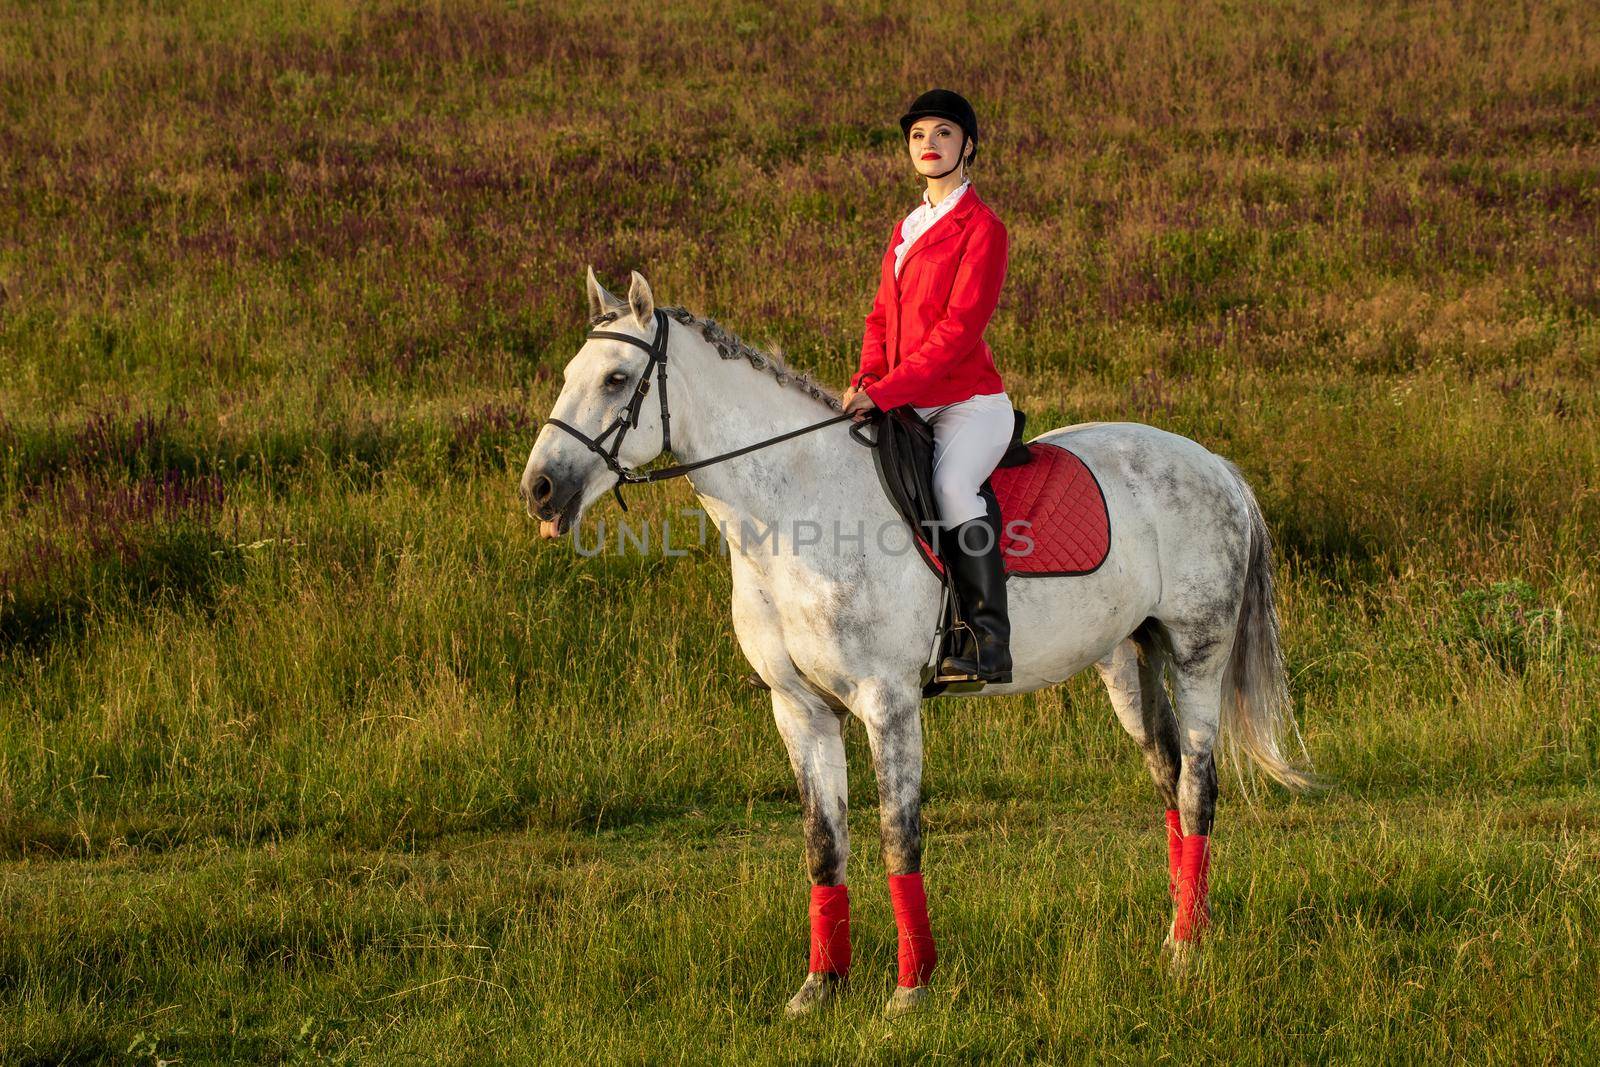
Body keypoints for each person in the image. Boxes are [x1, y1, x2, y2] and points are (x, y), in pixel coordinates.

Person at [841, 88, 1014, 685]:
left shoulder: (983, 228)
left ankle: (988, 639)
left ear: (968, 145)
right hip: (904, 397)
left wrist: (886, 391)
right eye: (918, 135)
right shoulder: (907, 227)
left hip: (969, 404)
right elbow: (880, 318)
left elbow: (958, 331)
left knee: (951, 484)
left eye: (943, 133)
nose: (929, 145)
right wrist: (868, 378)